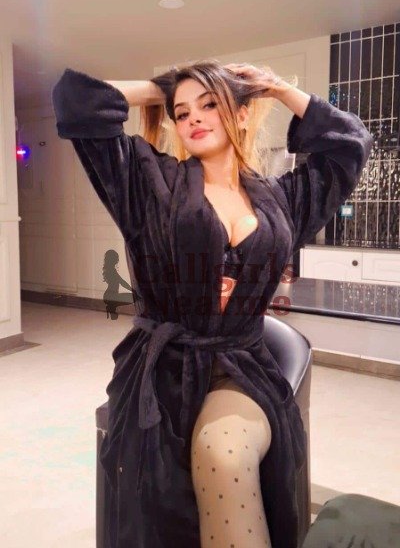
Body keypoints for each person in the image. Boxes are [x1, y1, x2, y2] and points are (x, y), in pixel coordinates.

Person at [52, 59, 373, 548]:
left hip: (241, 365)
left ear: (241, 113)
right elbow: (76, 101)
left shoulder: (282, 198)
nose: (194, 119)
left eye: (209, 105)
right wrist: (162, 89)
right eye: (182, 113)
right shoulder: (150, 183)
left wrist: (278, 89)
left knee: (223, 453)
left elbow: (350, 144)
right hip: (164, 370)